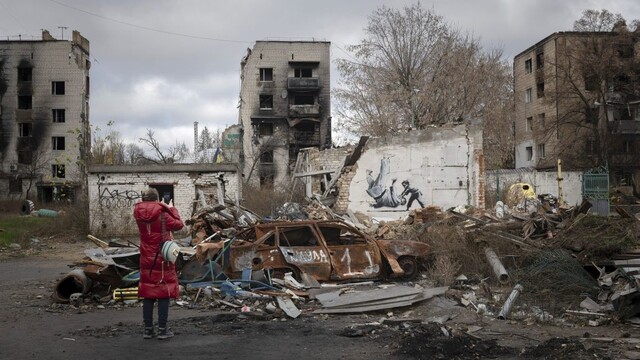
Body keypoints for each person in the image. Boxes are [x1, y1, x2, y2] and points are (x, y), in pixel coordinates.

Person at [134, 188, 184, 340]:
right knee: (163, 292)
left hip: (146, 256)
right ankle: (162, 330)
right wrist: (171, 208)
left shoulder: (138, 213)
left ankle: (148, 330)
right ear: (157, 199)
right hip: (162, 257)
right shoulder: (163, 213)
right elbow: (179, 225)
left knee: (148, 293)